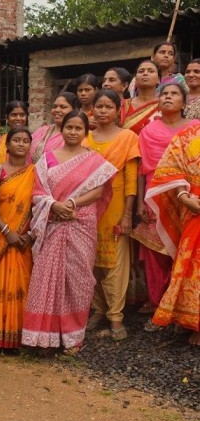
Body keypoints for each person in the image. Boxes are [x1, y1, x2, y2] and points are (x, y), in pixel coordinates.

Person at [22, 111, 116, 355]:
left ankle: (73, 337)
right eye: (69, 127)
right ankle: (45, 337)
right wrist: (54, 205)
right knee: (46, 276)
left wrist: (71, 204)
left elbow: (98, 192)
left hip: (80, 222)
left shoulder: (95, 161)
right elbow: (38, 192)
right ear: (61, 130)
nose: (73, 132)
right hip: (53, 220)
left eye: (78, 128)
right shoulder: (47, 159)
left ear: (86, 132)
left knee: (78, 278)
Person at [134, 82, 200, 329]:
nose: (168, 97)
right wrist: (142, 199)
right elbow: (142, 169)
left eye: (174, 94)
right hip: (158, 195)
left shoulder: (195, 129)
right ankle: (158, 303)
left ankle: (183, 309)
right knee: (155, 253)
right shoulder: (148, 132)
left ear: (185, 103)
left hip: (191, 198)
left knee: (189, 253)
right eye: (165, 94)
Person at [80, 90, 140, 341]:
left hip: (116, 204)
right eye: (99, 107)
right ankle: (98, 309)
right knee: (90, 260)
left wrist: (128, 214)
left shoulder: (128, 137)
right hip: (88, 206)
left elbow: (130, 179)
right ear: (92, 109)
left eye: (108, 107)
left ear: (118, 110)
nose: (103, 111)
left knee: (115, 262)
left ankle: (116, 316)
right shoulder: (85, 139)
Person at [146, 123, 200, 345]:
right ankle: (193, 321)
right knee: (192, 263)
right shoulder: (188, 136)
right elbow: (173, 171)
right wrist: (184, 197)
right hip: (193, 208)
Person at [0, 127, 35, 352]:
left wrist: (30, 234)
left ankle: (17, 338)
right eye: (16, 140)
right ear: (7, 145)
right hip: (0, 235)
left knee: (22, 285)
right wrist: (7, 231)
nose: (21, 144)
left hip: (26, 238)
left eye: (26, 141)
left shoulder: (36, 172)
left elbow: (40, 205)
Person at [30, 92, 79, 163]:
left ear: (74, 110)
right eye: (54, 106)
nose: (57, 110)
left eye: (63, 107)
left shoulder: (75, 135)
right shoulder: (42, 130)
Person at [121, 60, 162, 134]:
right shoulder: (121, 104)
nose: (145, 73)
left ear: (158, 80)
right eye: (141, 71)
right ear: (136, 80)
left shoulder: (164, 106)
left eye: (151, 71)